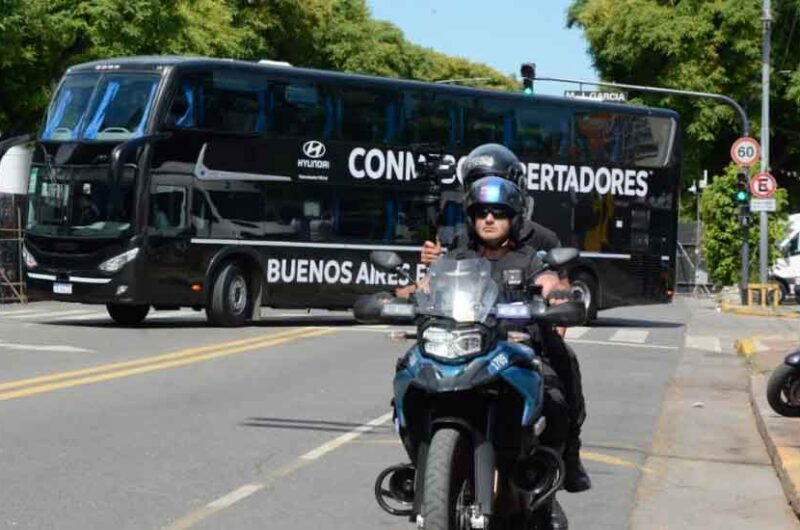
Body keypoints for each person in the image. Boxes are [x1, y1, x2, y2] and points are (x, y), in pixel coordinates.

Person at [416, 144, 591, 496]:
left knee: (560, 373)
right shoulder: (461, 243)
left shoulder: (535, 244)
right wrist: (412, 287)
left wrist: (558, 300)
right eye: (482, 211)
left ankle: (568, 454)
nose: (489, 218)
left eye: (498, 211)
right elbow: (433, 283)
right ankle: (419, 463)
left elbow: (553, 279)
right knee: (411, 372)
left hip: (516, 338)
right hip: (466, 337)